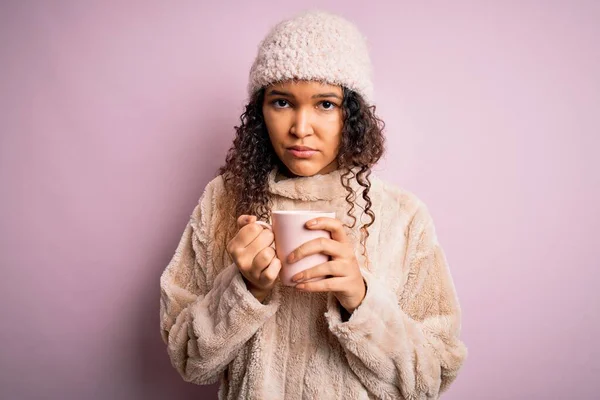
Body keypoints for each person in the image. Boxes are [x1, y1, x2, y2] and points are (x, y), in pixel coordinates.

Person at [159, 10, 467, 400]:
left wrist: (360, 300)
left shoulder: (403, 217)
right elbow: (189, 360)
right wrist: (245, 289)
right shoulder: (222, 200)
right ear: (260, 112)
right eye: (282, 102)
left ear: (352, 114)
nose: (301, 127)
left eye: (325, 104)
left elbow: (430, 379)